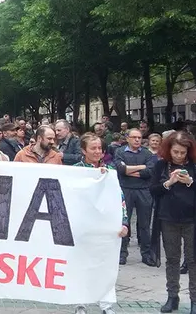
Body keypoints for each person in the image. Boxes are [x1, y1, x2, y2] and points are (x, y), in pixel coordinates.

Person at [150, 132, 196, 314]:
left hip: (192, 219)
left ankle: (195, 300)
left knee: (194, 260)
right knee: (172, 259)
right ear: (169, 150)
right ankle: (172, 296)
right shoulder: (161, 165)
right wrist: (169, 182)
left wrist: (191, 182)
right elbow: (153, 190)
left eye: (182, 152)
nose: (179, 155)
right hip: (168, 218)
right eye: (175, 152)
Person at [72, 133, 128, 314]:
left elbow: (120, 198)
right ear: (83, 150)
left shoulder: (110, 170)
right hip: (84, 227)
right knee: (82, 265)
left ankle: (106, 304)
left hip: (106, 227)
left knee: (106, 265)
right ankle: (80, 303)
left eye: (100, 148)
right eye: (93, 148)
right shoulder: (76, 171)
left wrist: (124, 222)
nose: (97, 152)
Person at [114, 129, 156, 266]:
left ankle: (146, 254)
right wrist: (140, 167)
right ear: (127, 138)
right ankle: (122, 254)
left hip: (144, 190)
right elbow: (120, 170)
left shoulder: (147, 153)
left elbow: (150, 171)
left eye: (139, 137)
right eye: (134, 137)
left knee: (144, 224)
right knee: (124, 223)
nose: (137, 140)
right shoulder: (120, 152)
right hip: (126, 189)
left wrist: (128, 170)